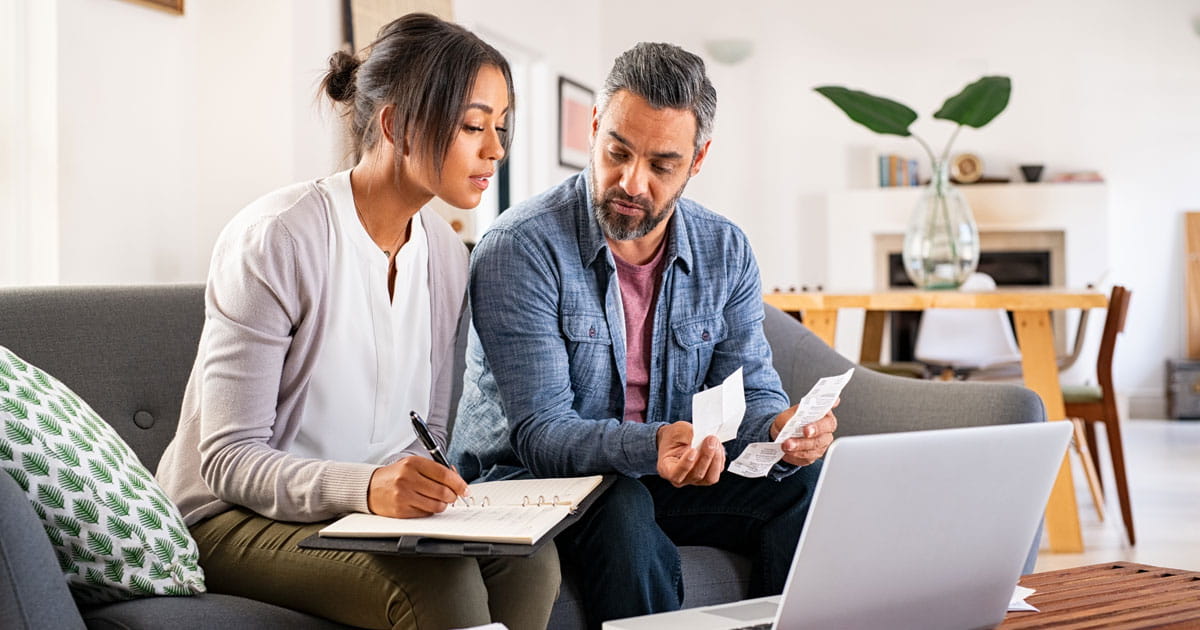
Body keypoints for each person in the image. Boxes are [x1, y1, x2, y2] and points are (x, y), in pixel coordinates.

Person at [155, 14, 559, 630]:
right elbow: (230, 459)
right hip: (231, 517)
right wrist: (367, 489)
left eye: (500, 128)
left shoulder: (449, 257)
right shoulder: (277, 238)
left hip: (363, 515)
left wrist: (429, 489)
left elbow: (431, 429)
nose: (496, 150)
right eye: (474, 125)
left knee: (532, 561)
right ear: (395, 123)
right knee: (440, 587)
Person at [449, 42, 837, 628]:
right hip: (528, 482)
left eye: (661, 165)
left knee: (804, 486)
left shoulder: (725, 249)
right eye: (618, 152)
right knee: (623, 505)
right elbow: (540, 434)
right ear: (596, 127)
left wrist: (782, 428)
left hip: (659, 470)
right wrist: (654, 447)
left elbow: (753, 390)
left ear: (697, 160)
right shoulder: (521, 247)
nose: (632, 182)